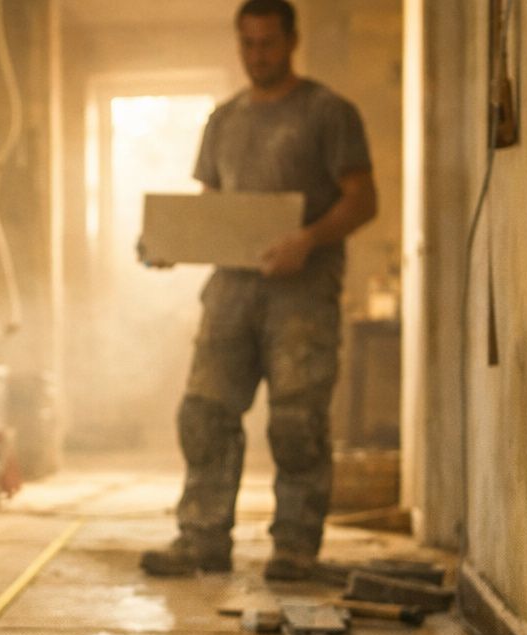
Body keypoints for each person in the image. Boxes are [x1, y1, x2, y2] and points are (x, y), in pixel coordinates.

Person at [140, 0, 377, 581]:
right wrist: (171, 242)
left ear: (291, 41)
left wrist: (308, 239)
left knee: (296, 421)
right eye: (247, 44)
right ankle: (201, 538)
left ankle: (295, 547)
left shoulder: (328, 112)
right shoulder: (224, 120)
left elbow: (363, 198)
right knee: (204, 412)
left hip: (303, 291)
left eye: (267, 44)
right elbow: (212, 208)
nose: (257, 56)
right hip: (231, 292)